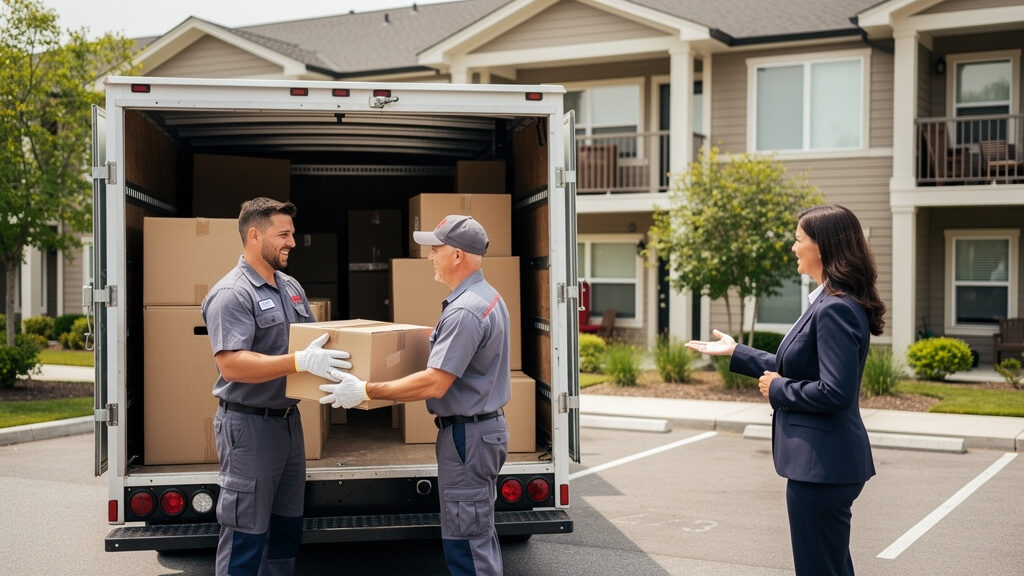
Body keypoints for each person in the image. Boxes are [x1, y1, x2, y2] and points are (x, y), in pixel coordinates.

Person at [686, 204, 884, 576]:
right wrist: (736, 352)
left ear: (822, 248)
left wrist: (778, 389)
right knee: (832, 567)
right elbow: (799, 363)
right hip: (826, 467)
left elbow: (834, 392)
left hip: (821, 470)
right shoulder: (829, 301)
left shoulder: (834, 308)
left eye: (798, 240)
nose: (793, 248)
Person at [319, 214, 511, 576]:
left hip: (467, 437)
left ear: (457, 256)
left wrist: (365, 390)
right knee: (475, 534)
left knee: (466, 542)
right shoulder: (486, 298)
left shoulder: (465, 311)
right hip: (479, 432)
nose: (429, 257)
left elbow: (434, 383)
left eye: (435, 249)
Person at [201, 197, 352, 576]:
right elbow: (231, 364)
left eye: (293, 234)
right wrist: (299, 362)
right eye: (283, 234)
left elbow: (315, 342)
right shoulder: (232, 293)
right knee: (245, 534)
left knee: (286, 529)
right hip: (249, 428)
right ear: (254, 235)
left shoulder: (291, 287)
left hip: (287, 423)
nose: (293, 242)